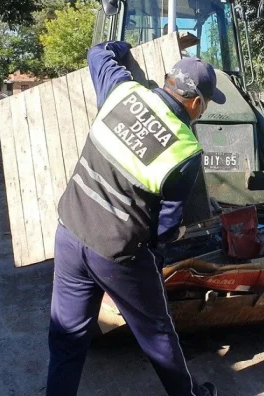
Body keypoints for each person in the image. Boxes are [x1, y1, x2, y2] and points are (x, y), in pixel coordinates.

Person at [46, 40, 225, 396]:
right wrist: (156, 255)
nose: (202, 113)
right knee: (158, 334)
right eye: (204, 106)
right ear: (196, 103)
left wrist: (123, 48)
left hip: (70, 233)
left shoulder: (120, 91)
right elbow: (165, 228)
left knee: (67, 339)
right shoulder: (186, 151)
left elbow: (96, 52)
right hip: (117, 254)